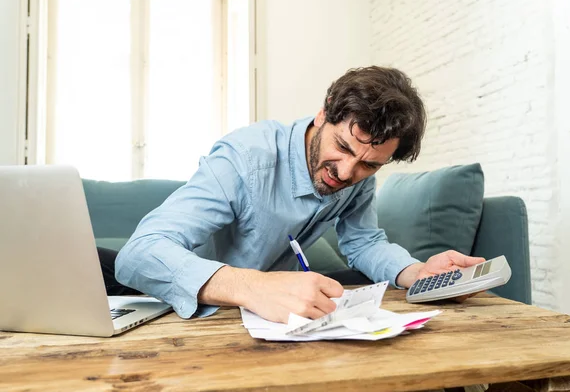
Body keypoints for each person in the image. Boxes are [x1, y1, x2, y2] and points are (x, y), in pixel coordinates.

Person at [108, 66, 485, 323]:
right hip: (200, 304)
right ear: (322, 115)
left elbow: (364, 241)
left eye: (370, 165)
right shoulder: (244, 158)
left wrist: (418, 273)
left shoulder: (358, 172)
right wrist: (253, 286)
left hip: (273, 319)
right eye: (342, 147)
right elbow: (138, 254)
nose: (347, 172)